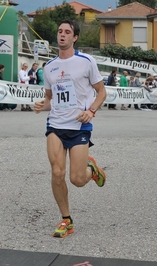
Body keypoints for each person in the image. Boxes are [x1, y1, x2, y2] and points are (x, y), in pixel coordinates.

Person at [34, 19, 107, 238]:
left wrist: (92, 111)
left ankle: (90, 170)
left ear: (74, 37)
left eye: (67, 32)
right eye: (59, 31)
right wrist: (41, 105)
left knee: (77, 179)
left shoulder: (86, 62)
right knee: (57, 173)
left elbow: (101, 92)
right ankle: (66, 220)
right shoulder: (50, 67)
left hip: (80, 126)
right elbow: (50, 100)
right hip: (55, 125)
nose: (62, 35)